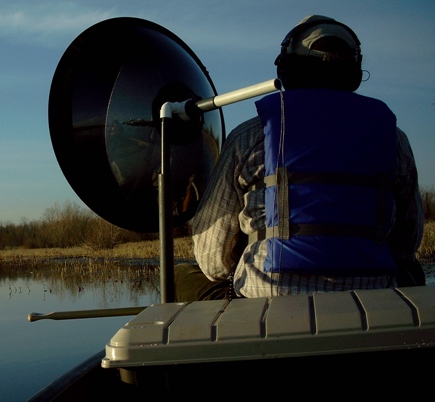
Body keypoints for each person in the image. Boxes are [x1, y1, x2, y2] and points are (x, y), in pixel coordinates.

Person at [175, 15, 425, 301]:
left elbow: (212, 259)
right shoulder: (394, 138)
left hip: (266, 303)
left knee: (183, 276)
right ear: (353, 73)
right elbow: (408, 244)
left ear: (288, 68)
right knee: (412, 273)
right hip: (373, 302)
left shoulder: (250, 135)